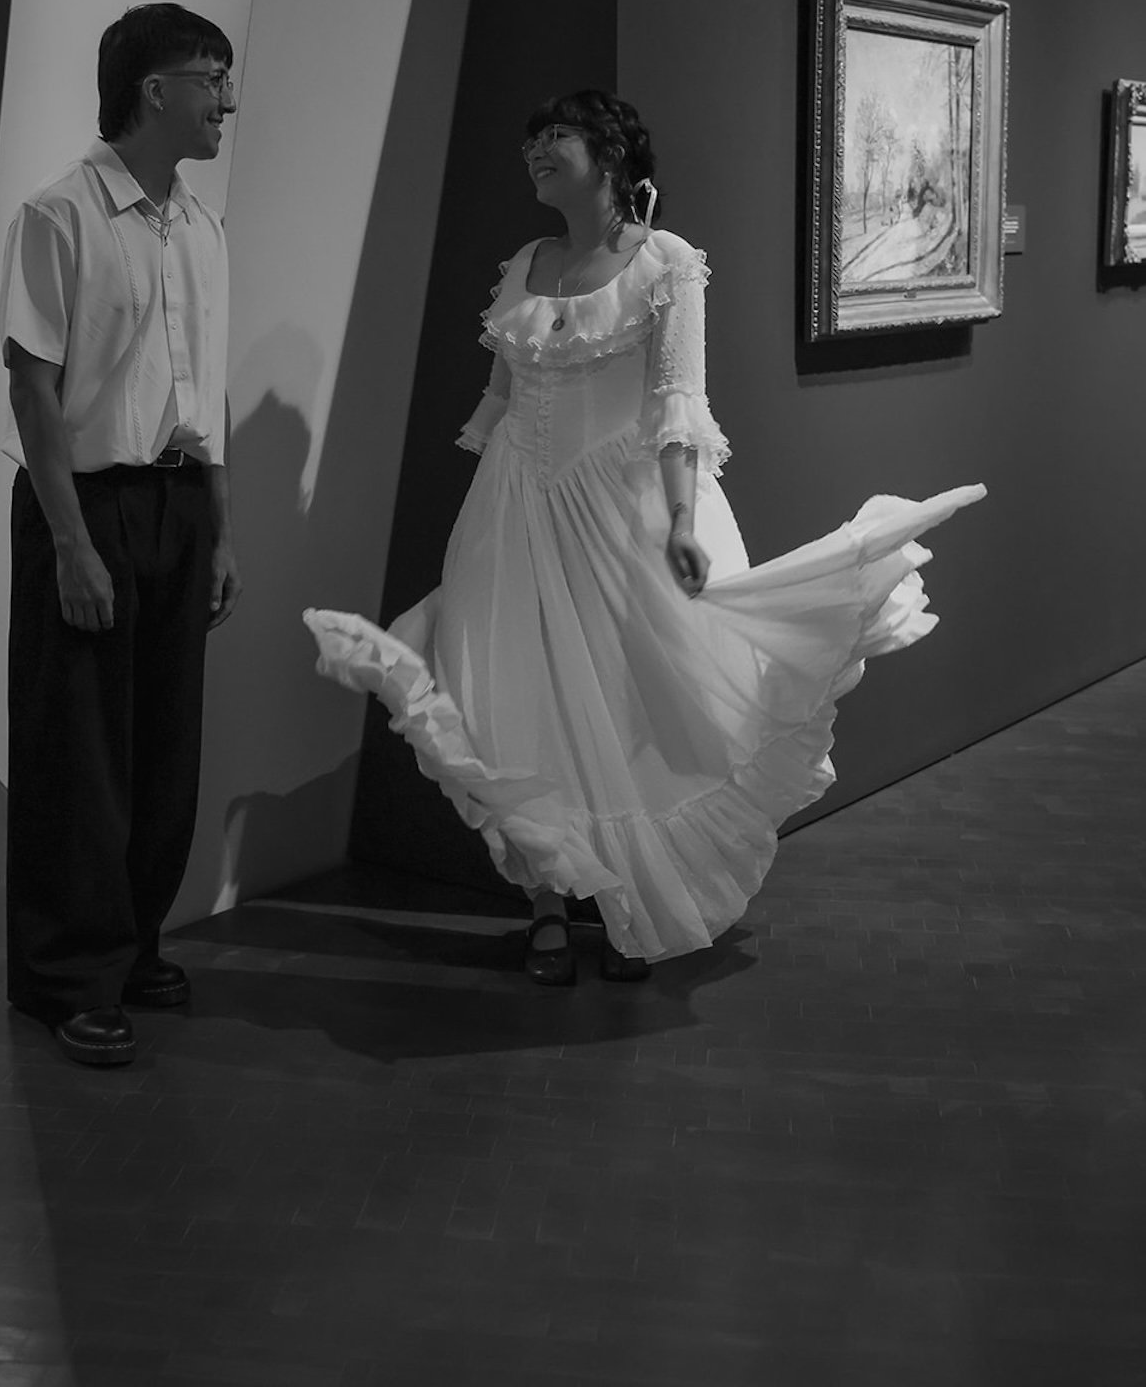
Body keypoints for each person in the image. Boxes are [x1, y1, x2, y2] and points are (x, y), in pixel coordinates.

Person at [306, 90, 983, 985]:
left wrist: (680, 517)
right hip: (514, 509)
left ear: (612, 156)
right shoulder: (527, 263)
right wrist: (500, 488)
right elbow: (505, 397)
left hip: (621, 507)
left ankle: (633, 898)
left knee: (633, 705)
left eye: (556, 137)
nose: (537, 152)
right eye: (531, 139)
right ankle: (548, 904)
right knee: (522, 693)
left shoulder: (664, 262)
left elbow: (678, 401)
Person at [1, 2, 242, 1064]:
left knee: (162, 748)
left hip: (179, 503)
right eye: (213, 78)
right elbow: (33, 389)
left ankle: (133, 941)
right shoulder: (61, 215)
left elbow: (206, 397)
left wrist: (220, 532)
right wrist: (69, 543)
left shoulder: (199, 226)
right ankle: (65, 978)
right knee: (78, 755)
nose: (227, 100)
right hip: (87, 505)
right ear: (156, 90)